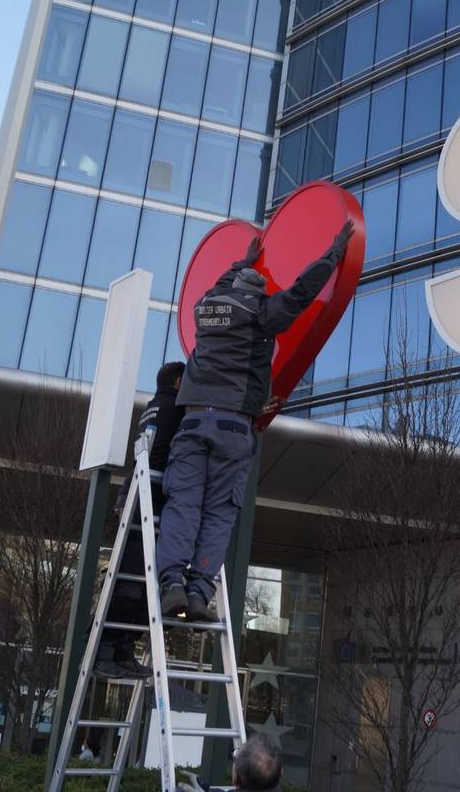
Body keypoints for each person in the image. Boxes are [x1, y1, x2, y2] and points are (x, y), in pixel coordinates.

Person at [158, 221, 354, 621]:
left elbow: (221, 283)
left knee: (183, 504)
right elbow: (301, 293)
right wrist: (333, 254)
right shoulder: (261, 313)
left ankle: (172, 584)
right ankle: (198, 594)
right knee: (218, 512)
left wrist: (241, 262)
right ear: (257, 292)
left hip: (192, 423)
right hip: (233, 426)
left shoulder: (206, 307)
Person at [94, 361, 186, 680]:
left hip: (138, 497)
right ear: (178, 382)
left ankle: (122, 651)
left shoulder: (153, 408)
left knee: (141, 583)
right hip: (149, 500)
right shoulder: (176, 409)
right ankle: (107, 651)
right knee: (134, 582)